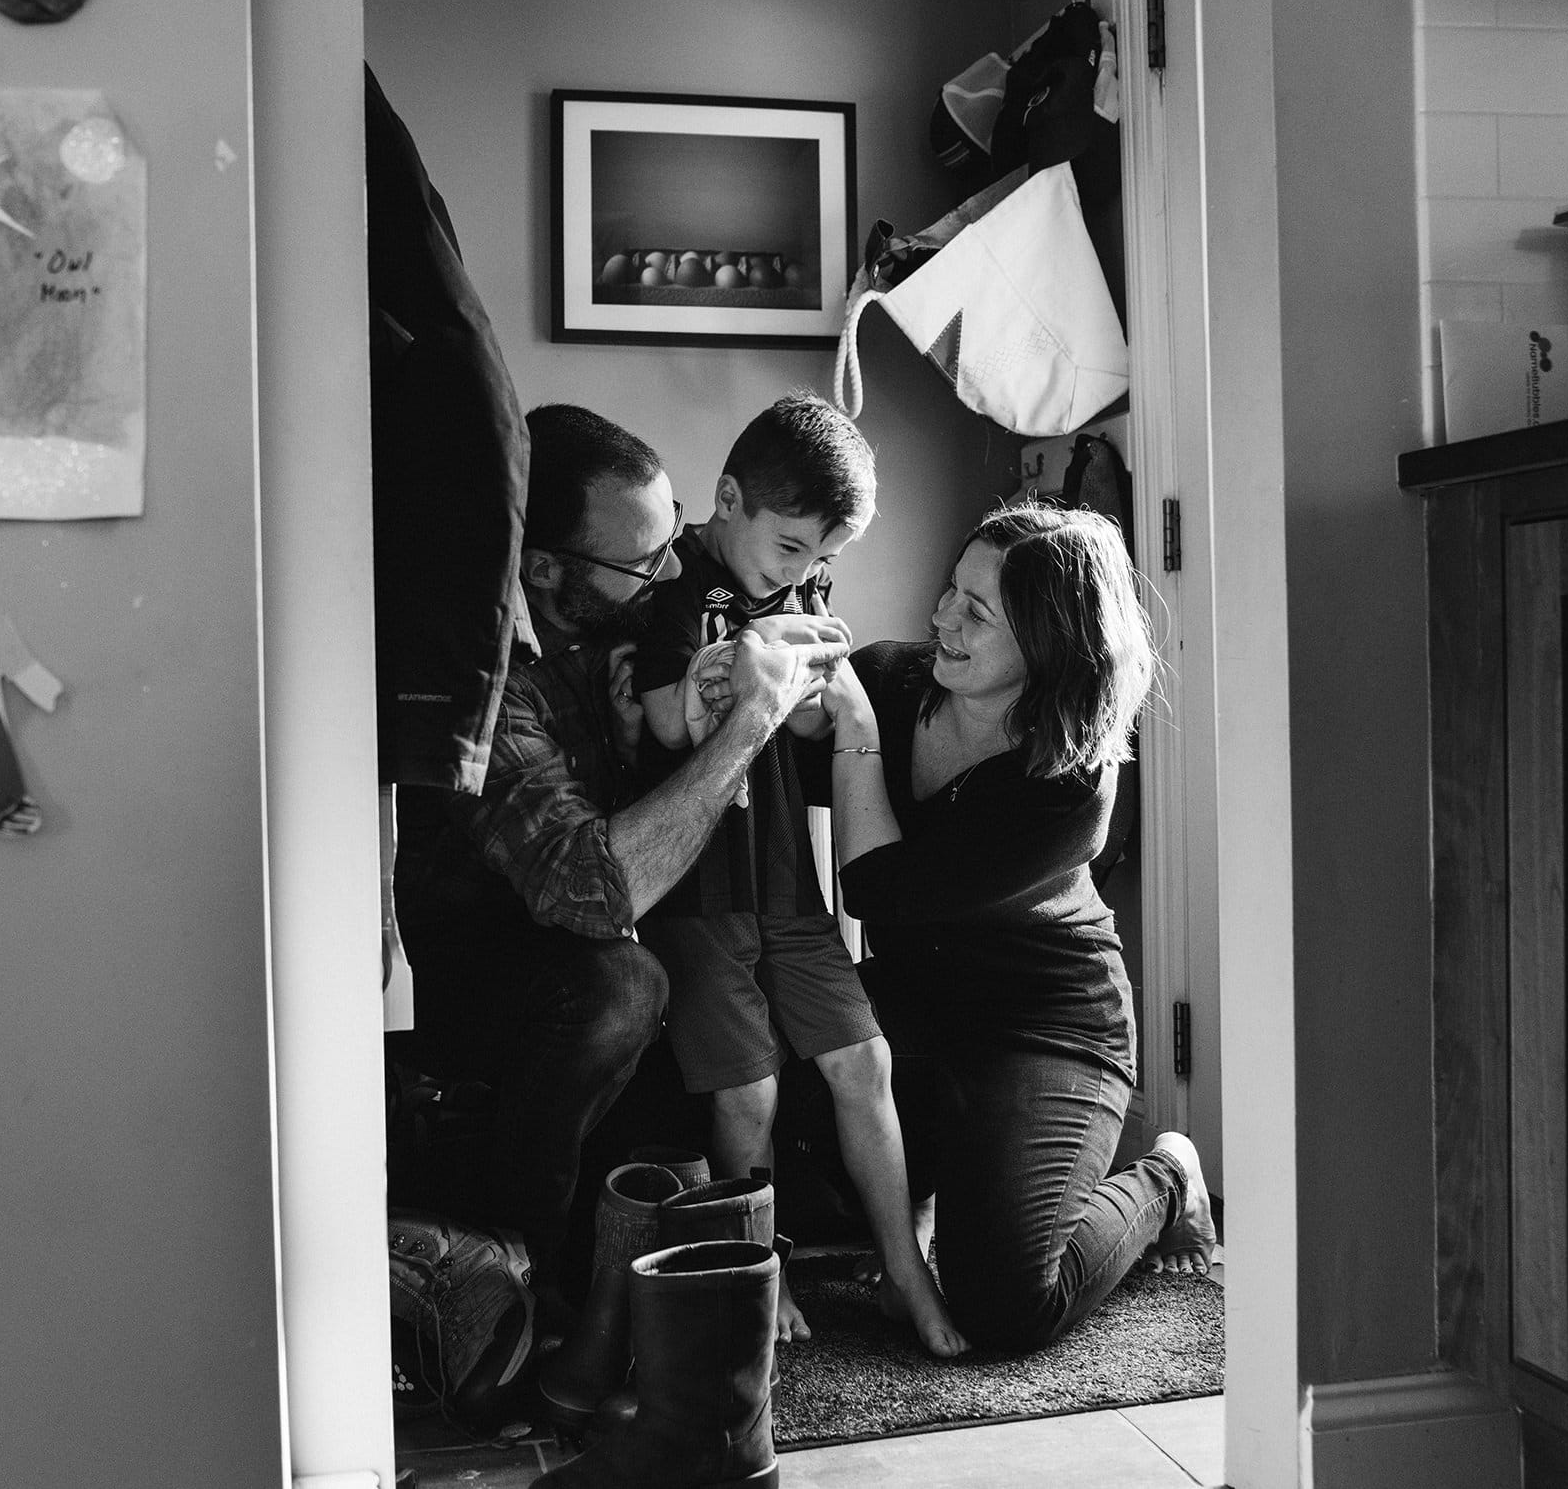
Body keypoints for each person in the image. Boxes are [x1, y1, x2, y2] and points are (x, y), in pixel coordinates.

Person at [391, 402, 848, 1281]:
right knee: (624, 984)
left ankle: (659, 1301)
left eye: (672, 533)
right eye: (643, 560)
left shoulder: (628, 615)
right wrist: (751, 716)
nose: (673, 566)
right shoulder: (484, 683)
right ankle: (516, 1279)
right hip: (491, 961)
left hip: (628, 923)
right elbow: (593, 892)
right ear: (546, 571)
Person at [817, 501, 1216, 1353]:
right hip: (915, 1010)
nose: (941, 619)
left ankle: (1168, 1177)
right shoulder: (893, 678)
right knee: (787, 1122)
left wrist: (853, 733)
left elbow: (880, 889)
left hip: (1045, 1026)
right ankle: (933, 1185)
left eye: (977, 611)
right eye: (950, 592)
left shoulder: (1070, 786)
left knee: (1004, 1305)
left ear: (1047, 643)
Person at [630, 392, 962, 1357]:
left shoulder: (801, 591)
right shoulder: (676, 579)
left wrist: (827, 693)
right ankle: (756, 1262)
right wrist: (742, 668)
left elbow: (823, 723)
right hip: (699, 892)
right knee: (750, 1092)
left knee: (865, 1060)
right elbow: (660, 720)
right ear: (728, 500)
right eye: (789, 550)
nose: (806, 575)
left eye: (823, 561)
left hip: (785, 877)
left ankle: (906, 1268)